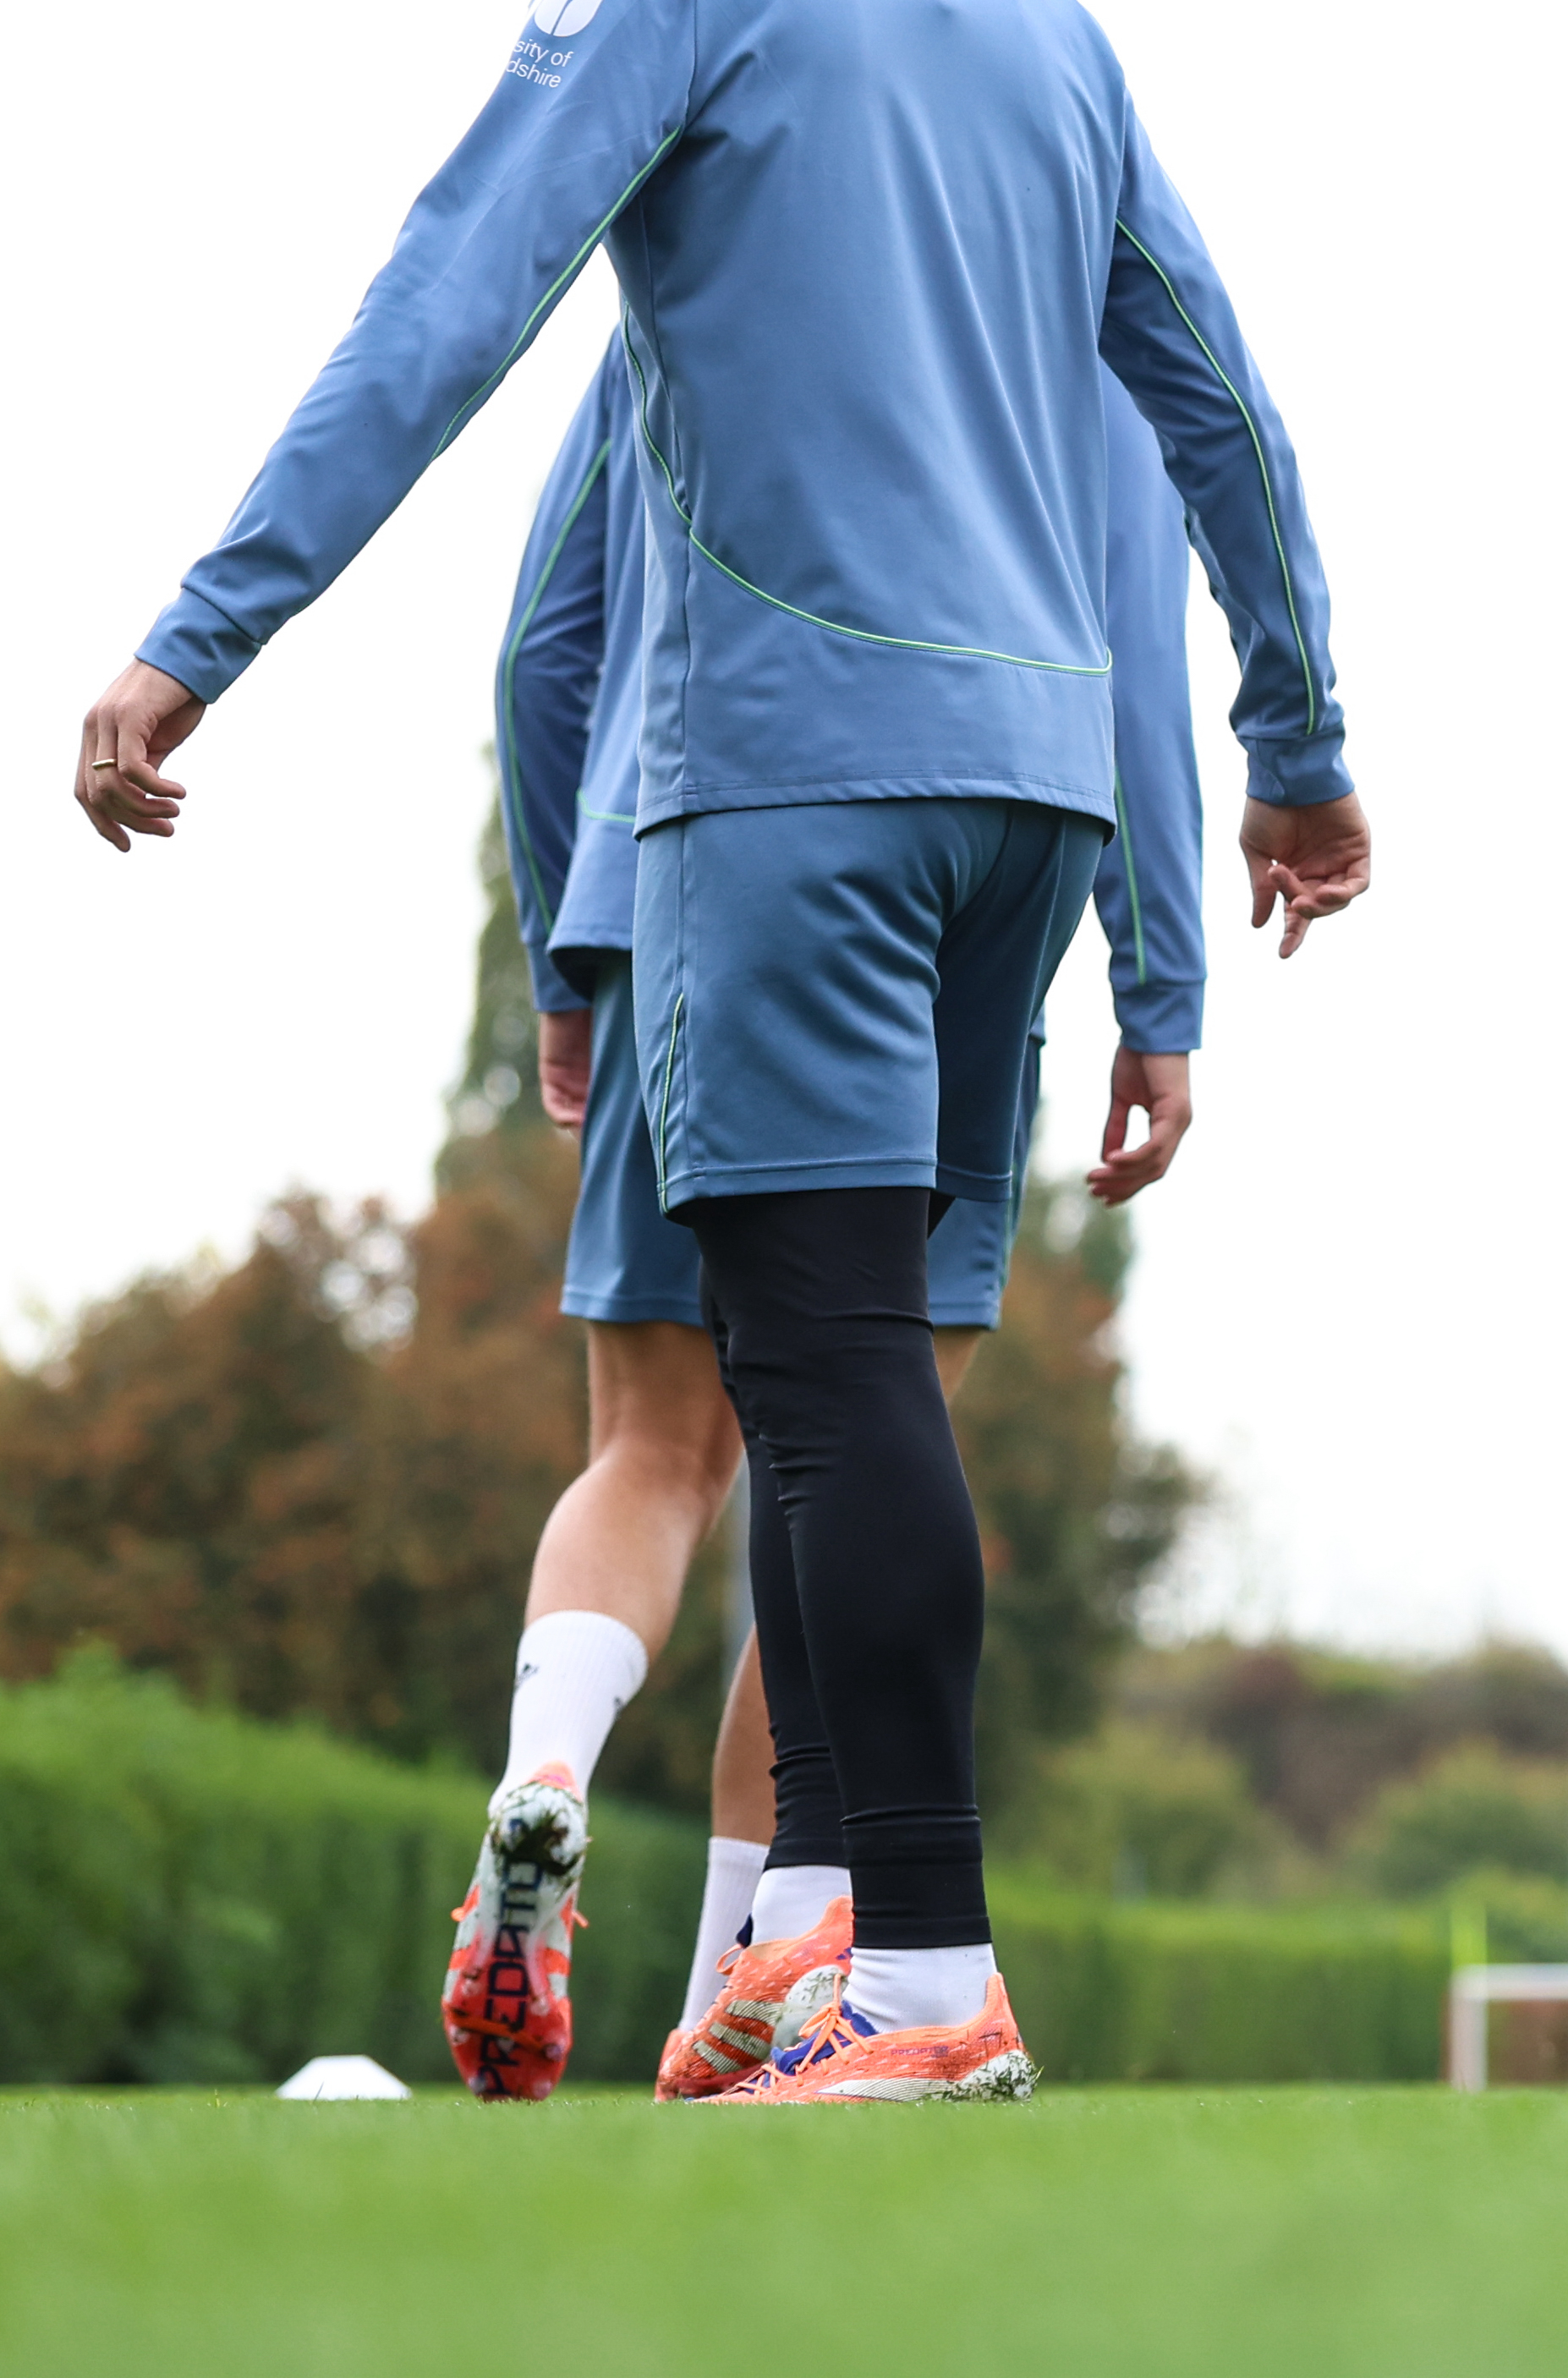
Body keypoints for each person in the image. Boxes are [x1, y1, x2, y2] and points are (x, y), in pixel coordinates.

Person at [75, 0, 1366, 2107]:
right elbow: (1218, 403)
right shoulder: (1045, 10)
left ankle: (927, 1973)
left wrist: (198, 634)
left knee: (814, 1375)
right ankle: (799, 1950)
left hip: (799, 764)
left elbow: (448, 302)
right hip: (1037, 788)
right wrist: (1300, 743)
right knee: (844, 1387)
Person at [464, 345, 1214, 2101]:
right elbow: (1137, 655)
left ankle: (549, 1771)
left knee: (655, 1448)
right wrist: (1159, 970)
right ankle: (758, 1966)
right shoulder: (1078, 327)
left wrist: (563, 933)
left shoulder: (693, 264)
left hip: (671, 862)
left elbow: (538, 648)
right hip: (954, 873)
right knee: (852, 1436)